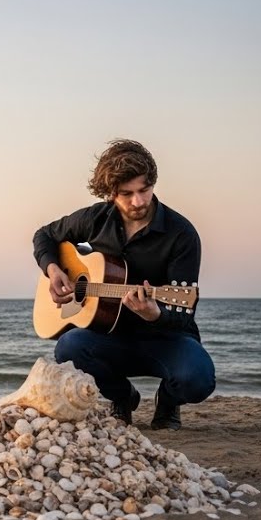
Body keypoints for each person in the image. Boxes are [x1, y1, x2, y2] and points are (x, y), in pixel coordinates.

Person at [33, 139, 216, 431]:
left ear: (153, 183)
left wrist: (153, 314)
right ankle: (122, 398)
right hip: (109, 336)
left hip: (165, 338)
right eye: (126, 194)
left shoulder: (181, 234)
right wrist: (53, 269)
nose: (138, 202)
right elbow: (44, 235)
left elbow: (184, 314)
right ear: (110, 194)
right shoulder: (96, 219)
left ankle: (168, 401)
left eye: (144, 190)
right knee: (69, 347)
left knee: (198, 378)